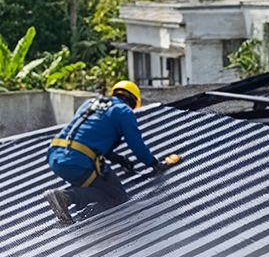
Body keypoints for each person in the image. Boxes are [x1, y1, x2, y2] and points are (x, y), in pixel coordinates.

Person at [44, 80, 176, 225]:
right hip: (77, 161)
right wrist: (155, 164)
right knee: (117, 196)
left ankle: (66, 197)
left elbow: (88, 137)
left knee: (95, 184)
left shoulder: (90, 103)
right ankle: (66, 197)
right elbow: (136, 145)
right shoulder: (123, 111)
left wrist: (120, 160)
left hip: (55, 155)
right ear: (133, 102)